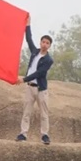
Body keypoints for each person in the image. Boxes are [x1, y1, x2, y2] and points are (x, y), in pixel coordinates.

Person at [16, 14, 54, 145]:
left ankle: (45, 135)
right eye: (43, 42)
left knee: (44, 114)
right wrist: (28, 24)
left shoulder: (49, 60)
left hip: (41, 89)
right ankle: (23, 134)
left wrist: (24, 78)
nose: (44, 44)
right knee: (26, 112)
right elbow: (28, 38)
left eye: (47, 43)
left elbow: (39, 73)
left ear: (49, 46)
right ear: (40, 42)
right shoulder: (34, 52)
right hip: (30, 87)